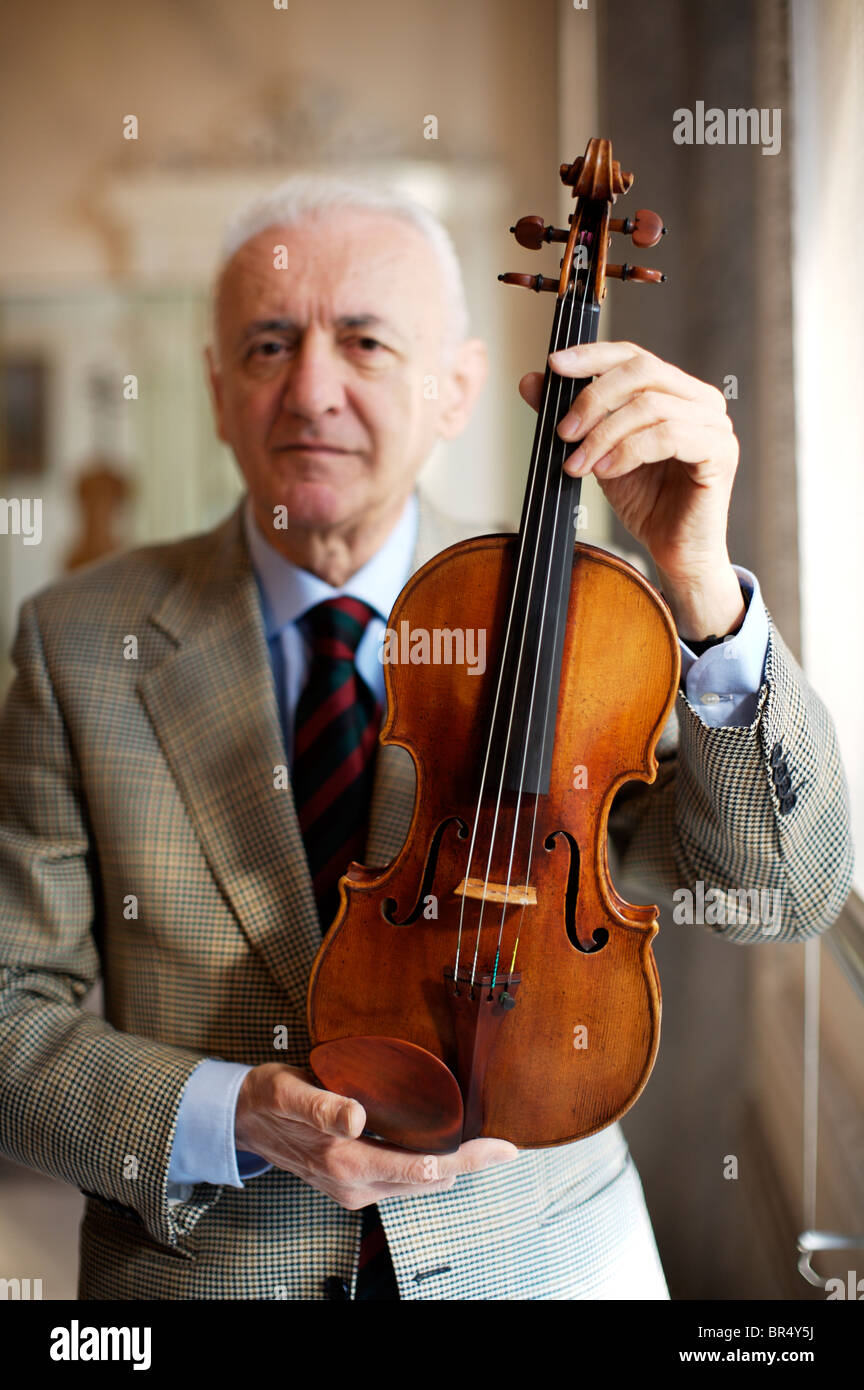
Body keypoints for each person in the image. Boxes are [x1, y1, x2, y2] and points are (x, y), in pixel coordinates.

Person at [0, 177, 853, 1301]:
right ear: (216, 388)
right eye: (268, 344)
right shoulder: (75, 637)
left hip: (545, 1261)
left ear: (456, 389)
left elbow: (786, 894)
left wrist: (699, 583)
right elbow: (12, 1005)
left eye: (363, 341)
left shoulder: (597, 625)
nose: (312, 390)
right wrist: (232, 1113)